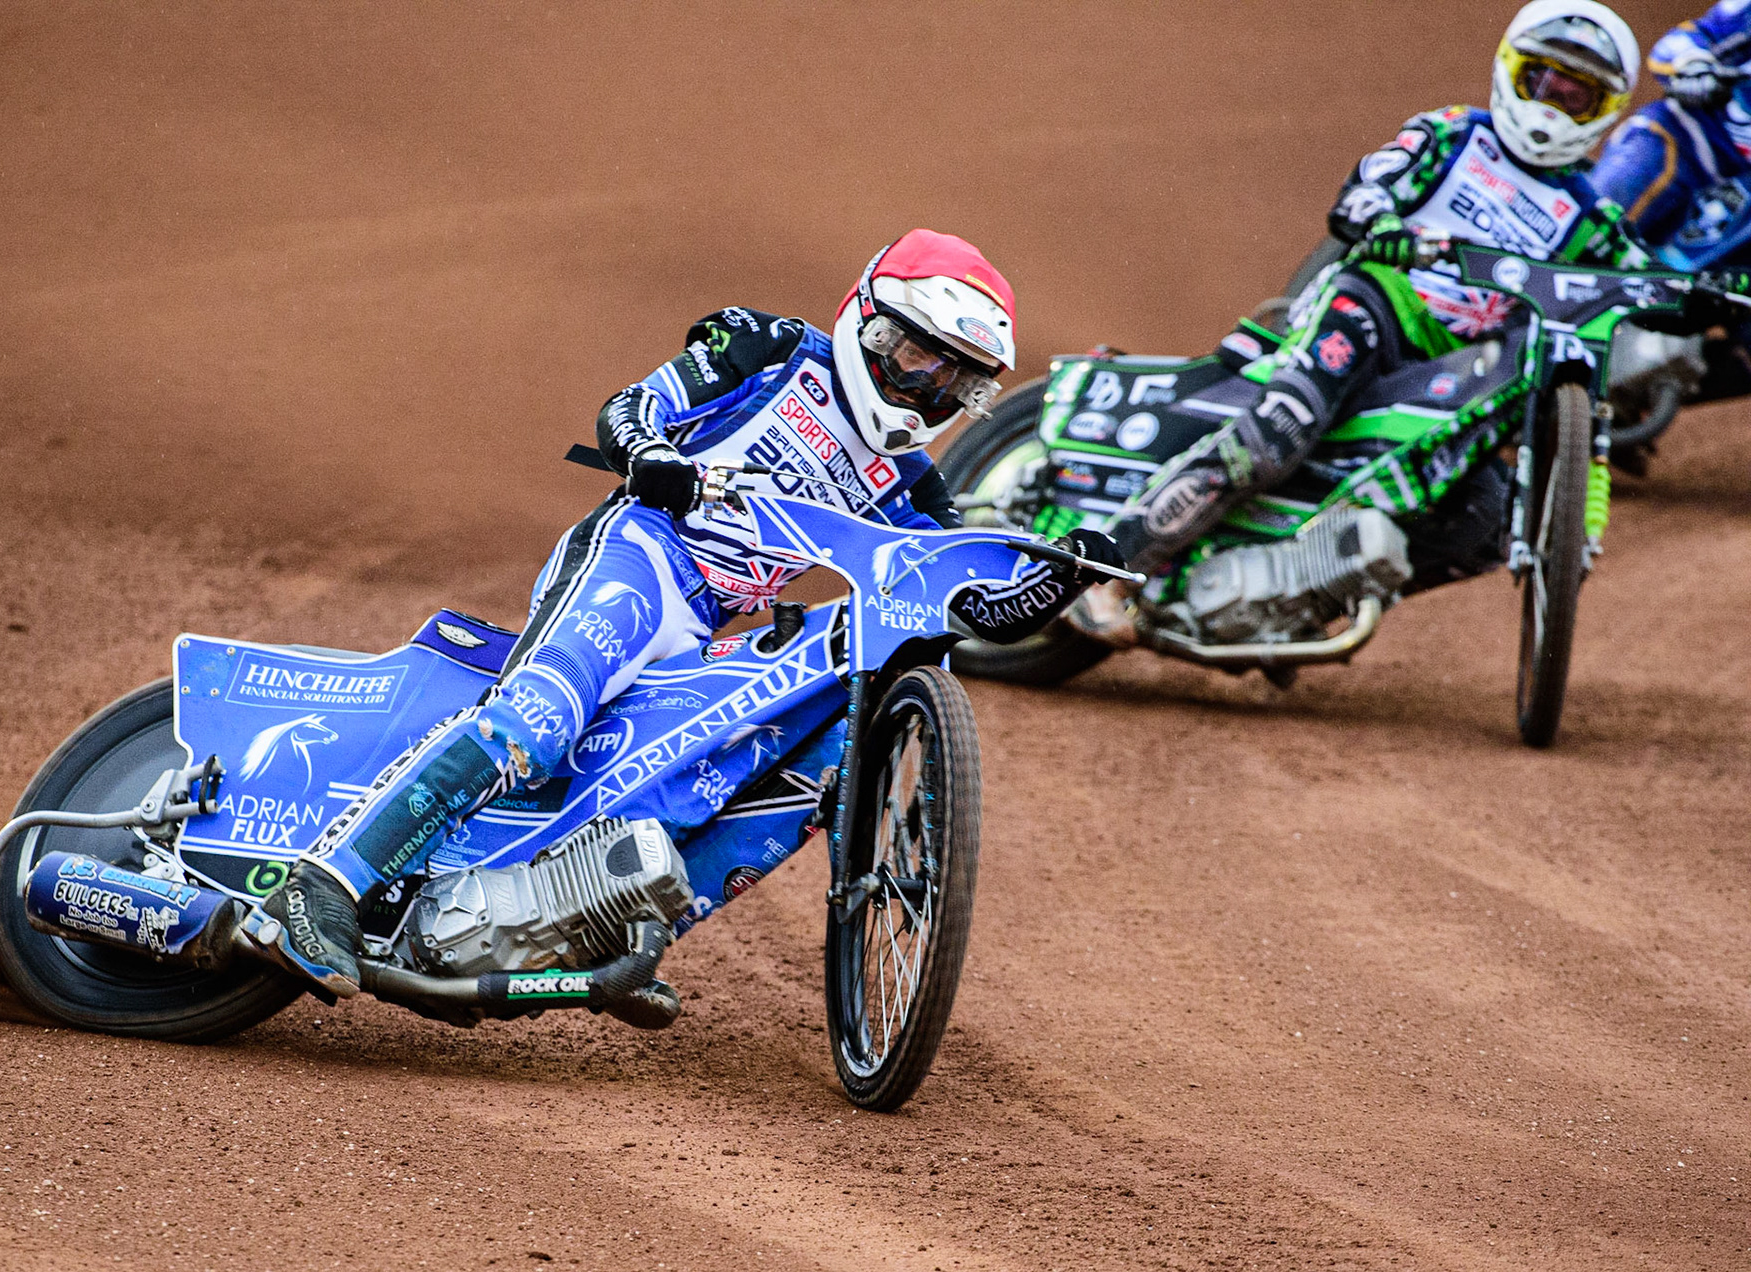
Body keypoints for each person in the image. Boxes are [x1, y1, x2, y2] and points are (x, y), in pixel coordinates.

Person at [253, 229, 1118, 997]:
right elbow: (630, 410)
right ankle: (323, 886)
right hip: (639, 554)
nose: (927, 386)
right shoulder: (768, 348)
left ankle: (602, 932)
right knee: (540, 721)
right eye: (918, 356)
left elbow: (973, 610)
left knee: (752, 777)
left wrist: (1066, 578)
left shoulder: (917, 490)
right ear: (869, 323)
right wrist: (650, 454)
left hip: (707, 628)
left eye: (954, 380)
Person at [1079, 1, 1650, 638]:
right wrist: (1382, 223)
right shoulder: (1453, 135)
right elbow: (1367, 189)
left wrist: (1703, 296)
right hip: (1374, 306)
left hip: (1458, 373)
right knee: (1278, 432)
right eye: (1541, 80)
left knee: (1486, 515)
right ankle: (1107, 568)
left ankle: (1300, 597)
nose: (1550, 105)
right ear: (1511, 71)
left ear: (1605, 109)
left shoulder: (1591, 218)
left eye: (1575, 95)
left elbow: (1650, 283)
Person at [1590, 1, 1751, 440]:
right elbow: (1686, 39)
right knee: (1600, 215)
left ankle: (1629, 396)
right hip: (1694, 141)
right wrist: (1693, 64)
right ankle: (1505, 319)